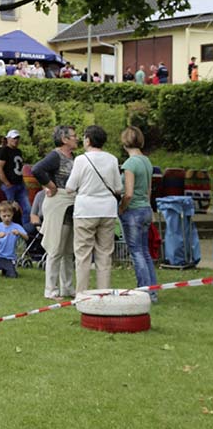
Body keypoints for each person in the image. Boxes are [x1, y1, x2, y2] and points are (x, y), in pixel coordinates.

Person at [66, 125, 122, 292]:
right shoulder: (112, 159)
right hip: (107, 211)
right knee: (104, 254)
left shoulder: (81, 160)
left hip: (85, 210)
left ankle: (82, 294)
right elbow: (118, 188)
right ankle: (103, 292)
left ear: (88, 140)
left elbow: (70, 187)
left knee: (83, 254)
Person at [31, 126, 78, 300]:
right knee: (55, 248)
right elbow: (37, 169)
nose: (77, 138)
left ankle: (67, 287)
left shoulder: (74, 157)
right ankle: (50, 289)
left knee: (68, 250)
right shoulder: (55, 155)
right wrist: (51, 186)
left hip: (71, 206)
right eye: (73, 136)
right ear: (64, 139)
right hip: (58, 205)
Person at [118, 126, 158, 302]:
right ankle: (152, 291)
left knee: (136, 252)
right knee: (145, 252)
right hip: (145, 209)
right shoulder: (146, 161)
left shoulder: (130, 164)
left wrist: (121, 208)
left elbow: (128, 193)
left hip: (133, 211)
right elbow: (148, 190)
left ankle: (144, 291)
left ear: (125, 142)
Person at [0, 129, 31, 224]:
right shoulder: (4, 151)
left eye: (17, 138)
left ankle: (24, 228)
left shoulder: (18, 151)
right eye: (14, 138)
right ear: (8, 139)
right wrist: (6, 182)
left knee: (27, 208)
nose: (16, 140)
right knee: (8, 210)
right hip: (9, 185)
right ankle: (9, 228)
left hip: (19, 183)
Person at [0, 201, 27, 277]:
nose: (7, 218)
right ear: (0, 215)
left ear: (12, 215)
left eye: (9, 216)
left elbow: (26, 237)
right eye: (4, 216)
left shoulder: (16, 226)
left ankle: (6, 270)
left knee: (12, 275)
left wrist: (19, 233)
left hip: (9, 257)